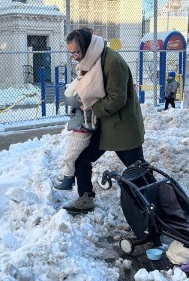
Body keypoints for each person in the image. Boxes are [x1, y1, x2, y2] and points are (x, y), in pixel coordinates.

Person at [63, 28, 148, 215]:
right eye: (71, 53)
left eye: (77, 52)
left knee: (138, 170)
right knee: (82, 160)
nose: (75, 57)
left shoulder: (112, 62)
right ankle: (85, 198)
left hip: (121, 126)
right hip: (102, 124)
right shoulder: (90, 61)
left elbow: (118, 98)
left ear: (86, 46)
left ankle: (153, 200)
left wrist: (91, 109)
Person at [54, 57, 105, 191]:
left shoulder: (90, 84)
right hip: (80, 124)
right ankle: (68, 177)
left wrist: (78, 82)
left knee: (70, 157)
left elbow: (70, 98)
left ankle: (68, 180)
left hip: (83, 127)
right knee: (71, 156)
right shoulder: (85, 81)